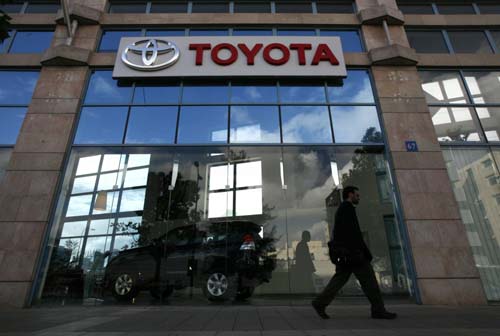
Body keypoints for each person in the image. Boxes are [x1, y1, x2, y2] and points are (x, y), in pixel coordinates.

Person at [311, 186, 397, 320]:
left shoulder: (343, 209)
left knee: (338, 281)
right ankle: (378, 310)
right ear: (350, 195)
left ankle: (319, 303)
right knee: (370, 282)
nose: (359, 197)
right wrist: (362, 252)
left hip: (347, 254)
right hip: (354, 255)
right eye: (357, 195)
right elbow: (353, 233)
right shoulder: (347, 208)